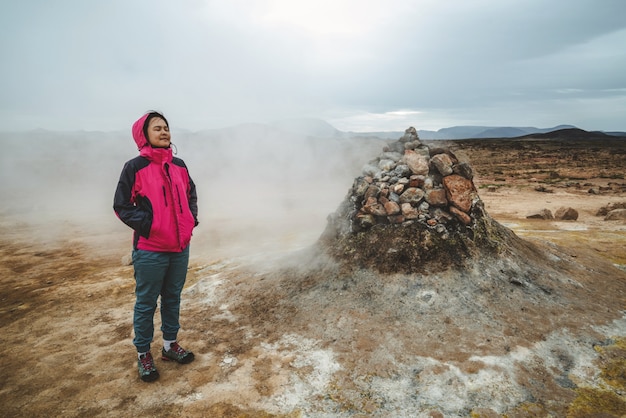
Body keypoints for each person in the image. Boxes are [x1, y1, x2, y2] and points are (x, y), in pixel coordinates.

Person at [114, 111, 198, 382]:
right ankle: (143, 354)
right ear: (144, 135)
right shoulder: (134, 167)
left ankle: (169, 345)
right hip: (150, 249)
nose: (164, 132)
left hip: (179, 247)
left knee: (173, 297)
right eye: (157, 129)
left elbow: (190, 195)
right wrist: (150, 226)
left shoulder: (180, 165)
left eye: (166, 128)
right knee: (147, 302)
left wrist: (190, 220)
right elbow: (122, 205)